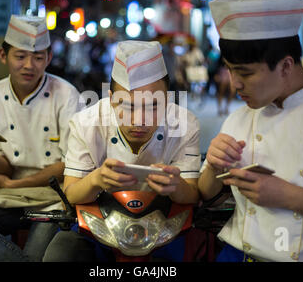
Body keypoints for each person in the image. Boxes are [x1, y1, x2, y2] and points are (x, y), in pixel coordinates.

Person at [198, 0, 303, 262]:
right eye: (230, 69)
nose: (235, 83)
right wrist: (213, 165)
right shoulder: (240, 117)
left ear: (285, 66)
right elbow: (205, 190)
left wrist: (287, 195)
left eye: (245, 72)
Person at [43, 40, 201, 262]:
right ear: (111, 98)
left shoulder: (184, 123)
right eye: (127, 106)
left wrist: (176, 186)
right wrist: (96, 179)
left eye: (153, 106)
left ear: (167, 98)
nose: (139, 121)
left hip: (163, 227)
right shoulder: (86, 123)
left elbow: (192, 194)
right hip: (96, 227)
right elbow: (70, 195)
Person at [0, 15, 82, 261]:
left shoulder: (66, 95)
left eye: (38, 57)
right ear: (3, 55)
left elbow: (69, 165)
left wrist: (15, 184)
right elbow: (3, 169)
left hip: (54, 198)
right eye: (20, 56)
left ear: (49, 58)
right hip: (12, 198)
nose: (29, 65)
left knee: (36, 254)